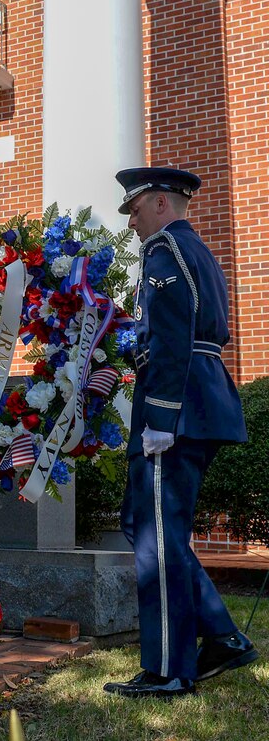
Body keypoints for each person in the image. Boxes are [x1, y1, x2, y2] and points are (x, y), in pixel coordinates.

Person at [103, 167, 257, 699]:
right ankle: (220, 637)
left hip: (179, 406)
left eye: (136, 210)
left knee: (158, 538)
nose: (133, 223)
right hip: (200, 400)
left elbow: (170, 338)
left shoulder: (165, 250)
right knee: (142, 524)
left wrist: (161, 419)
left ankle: (169, 669)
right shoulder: (198, 251)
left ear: (161, 203)